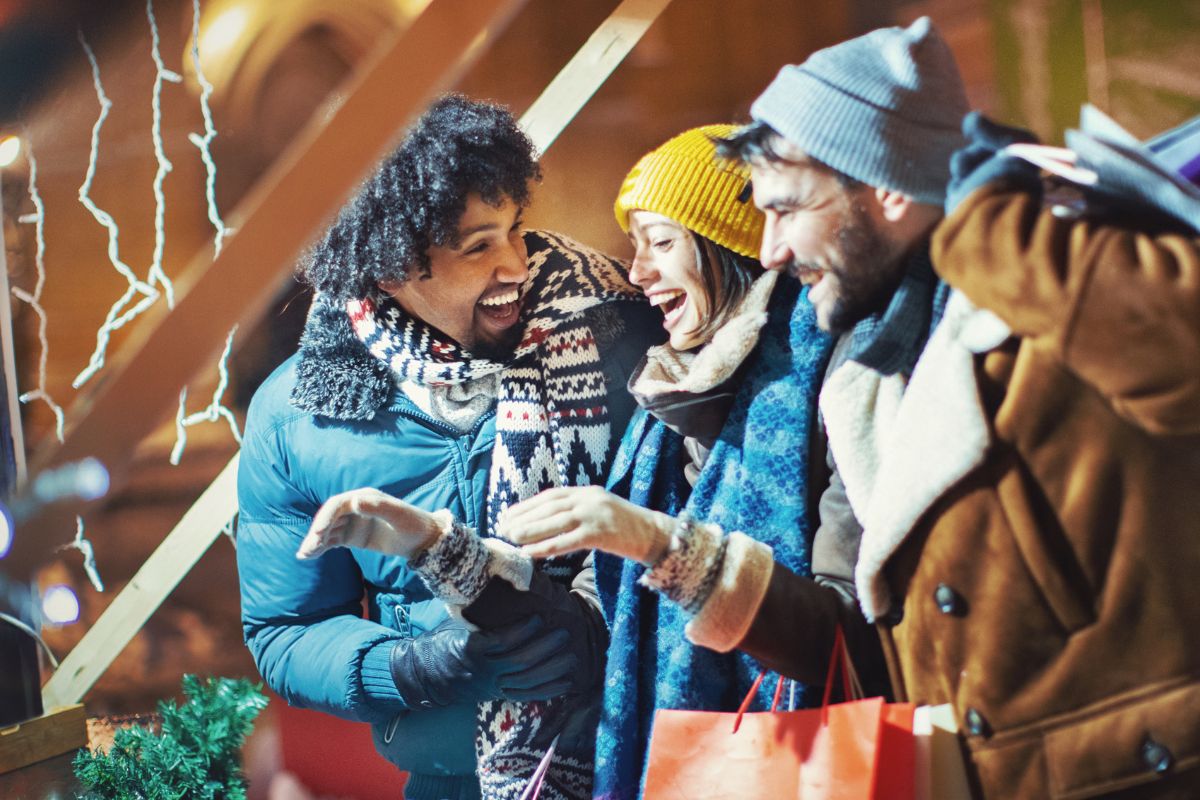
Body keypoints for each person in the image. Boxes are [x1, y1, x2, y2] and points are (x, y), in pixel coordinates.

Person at [235, 94, 661, 800]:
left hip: (637, 760)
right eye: (479, 246)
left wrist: (585, 628)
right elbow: (286, 627)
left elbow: (684, 529)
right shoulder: (300, 413)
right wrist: (414, 668)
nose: (518, 265)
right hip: (452, 780)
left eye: (515, 229)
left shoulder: (613, 338)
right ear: (394, 267)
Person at [496, 125, 884, 798]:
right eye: (634, 247)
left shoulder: (835, 379)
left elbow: (844, 637)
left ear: (728, 242)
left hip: (821, 766)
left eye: (663, 242)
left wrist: (655, 543)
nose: (638, 272)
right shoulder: (662, 418)